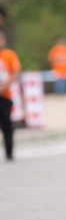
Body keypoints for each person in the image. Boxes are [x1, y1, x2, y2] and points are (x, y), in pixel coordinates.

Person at [0, 28, 21, 161]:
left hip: (5, 95)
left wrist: (4, 86)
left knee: (7, 125)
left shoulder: (9, 55)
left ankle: (9, 151)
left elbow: (15, 73)